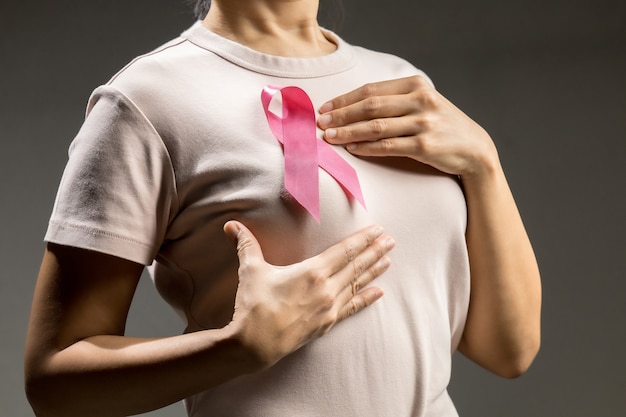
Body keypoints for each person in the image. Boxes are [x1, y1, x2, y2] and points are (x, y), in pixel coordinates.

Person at [24, 0, 542, 416]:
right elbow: (54, 381)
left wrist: (484, 165)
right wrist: (237, 348)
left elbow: (508, 351)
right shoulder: (146, 101)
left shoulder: (405, 84)